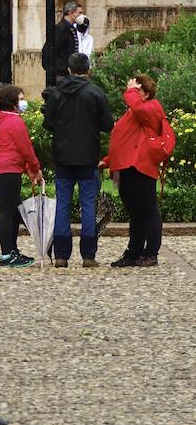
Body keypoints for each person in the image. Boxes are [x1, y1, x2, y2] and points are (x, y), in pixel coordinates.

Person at [42, 52, 114, 267]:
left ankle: (62, 255)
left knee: (63, 204)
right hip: (88, 155)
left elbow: (48, 123)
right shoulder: (95, 92)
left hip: (63, 155)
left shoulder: (56, 93)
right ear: (88, 70)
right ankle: (88, 254)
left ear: (69, 70)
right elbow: (108, 124)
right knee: (88, 205)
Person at [104, 73, 167, 268]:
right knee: (135, 212)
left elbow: (138, 107)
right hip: (127, 166)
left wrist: (131, 92)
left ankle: (151, 253)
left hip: (141, 166)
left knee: (148, 210)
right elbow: (124, 139)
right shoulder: (134, 111)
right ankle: (134, 252)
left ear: (146, 94)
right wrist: (108, 161)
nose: (131, 92)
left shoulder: (151, 107)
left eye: (137, 90)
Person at [0, 85, 41, 269]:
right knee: (8, 212)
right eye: (21, 98)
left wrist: (28, 169)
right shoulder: (15, 121)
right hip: (8, 171)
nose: (24, 102)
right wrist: (35, 168)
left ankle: (12, 250)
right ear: (13, 102)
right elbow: (25, 148)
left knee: (16, 210)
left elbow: (12, 148)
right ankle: (6, 255)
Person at [47, 1, 83, 83]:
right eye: (79, 13)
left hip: (69, 73)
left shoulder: (71, 28)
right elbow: (50, 49)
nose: (81, 16)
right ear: (72, 13)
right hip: (61, 74)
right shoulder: (61, 28)